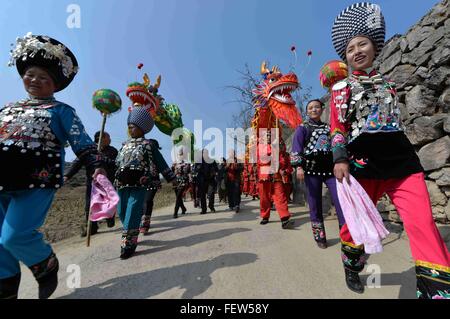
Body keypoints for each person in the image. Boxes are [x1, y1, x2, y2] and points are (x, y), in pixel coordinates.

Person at [330, 2, 450, 297]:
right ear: (345, 58)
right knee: (356, 226)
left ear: (374, 47)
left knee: (422, 222)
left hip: (401, 162)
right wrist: (340, 159)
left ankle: (436, 291)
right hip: (361, 163)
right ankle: (351, 263)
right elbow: (337, 128)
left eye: (362, 44)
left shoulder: (389, 85)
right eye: (350, 48)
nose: (357, 50)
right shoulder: (340, 89)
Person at [0, 33, 106, 299]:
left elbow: (82, 144)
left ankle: (45, 264)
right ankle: (5, 287)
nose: (36, 80)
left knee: (13, 236)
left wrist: (97, 166)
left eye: (44, 78)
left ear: (55, 85)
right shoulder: (6, 109)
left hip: (37, 180)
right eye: (32, 74)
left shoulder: (61, 111)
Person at [115, 108, 175, 259]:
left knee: (133, 210)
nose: (130, 129)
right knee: (122, 211)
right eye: (129, 126)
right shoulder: (124, 145)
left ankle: (128, 244)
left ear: (141, 128)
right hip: (122, 183)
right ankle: (131, 230)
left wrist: (172, 178)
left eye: (133, 126)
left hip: (139, 182)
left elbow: (160, 162)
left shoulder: (148, 145)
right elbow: (117, 163)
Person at [291, 99, 345, 249]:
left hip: (330, 170)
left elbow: (337, 144)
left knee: (340, 200)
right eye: (310, 108)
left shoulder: (329, 128)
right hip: (311, 170)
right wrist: (299, 167)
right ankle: (319, 237)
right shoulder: (302, 128)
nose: (314, 110)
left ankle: (346, 235)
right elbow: (296, 148)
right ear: (307, 111)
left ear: (322, 109)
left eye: (316, 107)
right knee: (315, 203)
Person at [65, 131, 118, 237]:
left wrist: (100, 158)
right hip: (93, 182)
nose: (110, 139)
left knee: (109, 202)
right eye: (108, 137)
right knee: (90, 205)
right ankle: (92, 227)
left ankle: (110, 217)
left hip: (107, 181)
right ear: (101, 138)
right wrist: (67, 175)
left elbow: (113, 162)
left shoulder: (113, 150)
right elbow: (77, 162)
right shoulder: (89, 150)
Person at [139, 138, 163, 234]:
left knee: (148, 201)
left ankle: (145, 224)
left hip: (153, 182)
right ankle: (138, 222)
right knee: (140, 202)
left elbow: (163, 167)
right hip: (139, 182)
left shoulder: (158, 157)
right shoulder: (140, 155)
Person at [195, 149, 218, 214]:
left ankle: (211, 206)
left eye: (206, 153)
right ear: (202, 154)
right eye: (204, 153)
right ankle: (203, 209)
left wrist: (214, 172)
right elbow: (195, 169)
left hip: (210, 180)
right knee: (202, 196)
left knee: (211, 194)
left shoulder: (212, 160)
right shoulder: (198, 161)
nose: (205, 154)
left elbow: (216, 169)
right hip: (202, 181)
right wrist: (198, 168)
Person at [172, 147, 191, 219]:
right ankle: (183, 208)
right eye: (179, 154)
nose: (180, 155)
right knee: (178, 197)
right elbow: (172, 172)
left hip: (183, 181)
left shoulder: (186, 163)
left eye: (182, 154)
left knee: (178, 196)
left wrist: (180, 169)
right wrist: (174, 168)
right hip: (175, 182)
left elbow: (187, 172)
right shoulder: (175, 162)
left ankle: (175, 212)